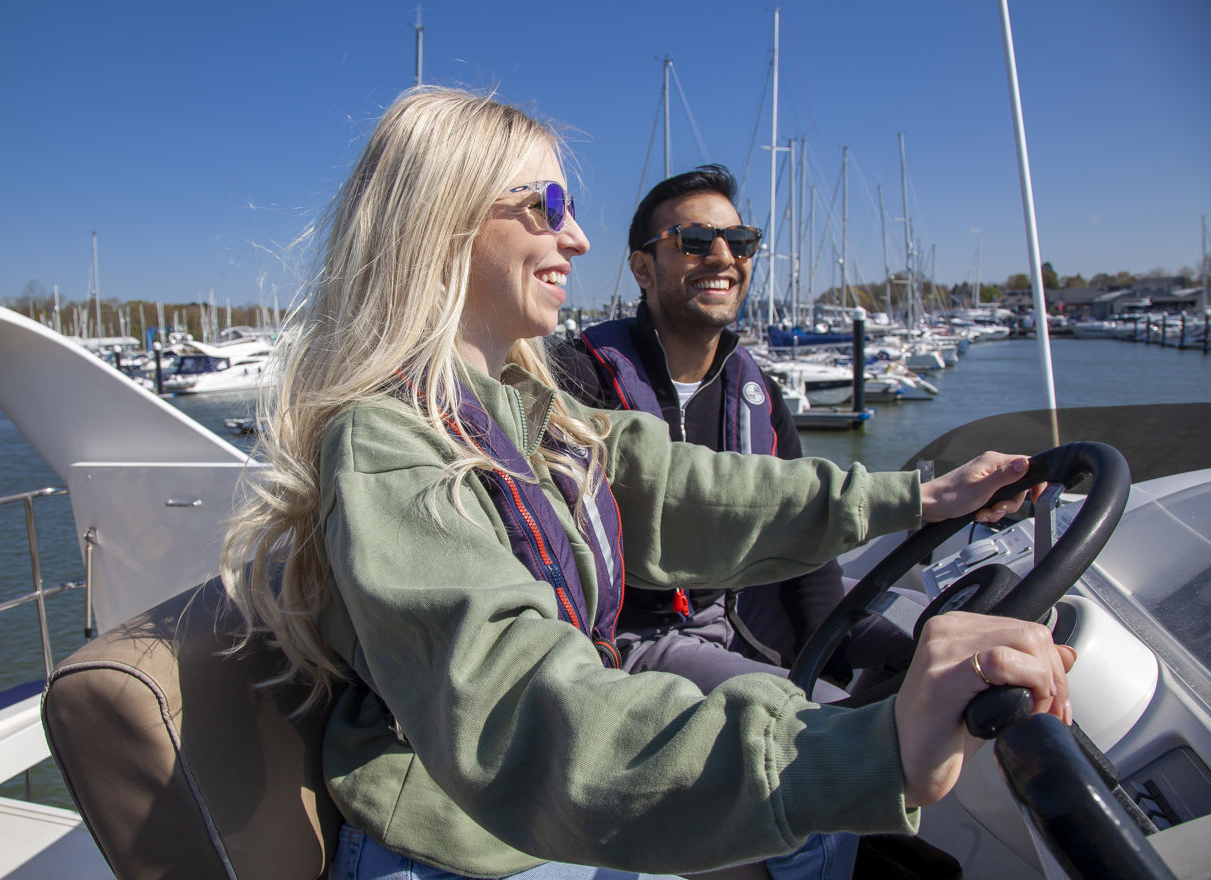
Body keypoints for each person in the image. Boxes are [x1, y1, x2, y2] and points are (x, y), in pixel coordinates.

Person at [220, 87, 1072, 880]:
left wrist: (922, 498)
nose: (577, 239)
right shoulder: (388, 442)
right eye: (547, 207)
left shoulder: (529, 410)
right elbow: (522, 712)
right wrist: (877, 749)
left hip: (547, 818)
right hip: (458, 847)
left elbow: (686, 491)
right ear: (442, 220)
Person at [553, 164, 884, 699]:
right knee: (837, 723)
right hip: (636, 638)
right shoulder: (579, 380)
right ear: (643, 268)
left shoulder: (759, 394)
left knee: (923, 647)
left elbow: (804, 542)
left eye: (741, 240)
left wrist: (845, 643)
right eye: (696, 240)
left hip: (747, 612)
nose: (724, 257)